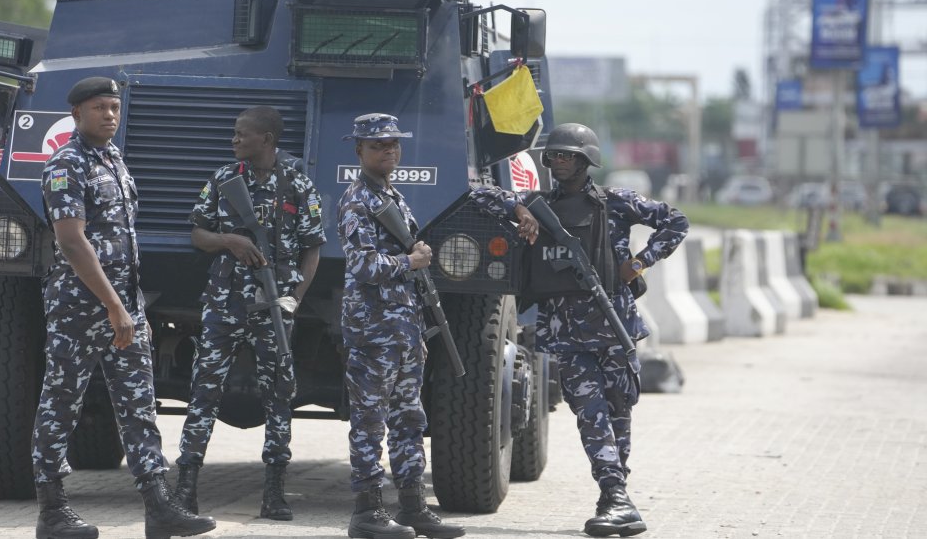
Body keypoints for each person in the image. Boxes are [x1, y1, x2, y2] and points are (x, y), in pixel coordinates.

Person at [470, 122, 689, 538]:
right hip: (567, 335)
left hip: (614, 327)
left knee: (618, 413)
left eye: (569, 155)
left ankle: (617, 497)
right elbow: (479, 195)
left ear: (588, 160)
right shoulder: (538, 205)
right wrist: (519, 210)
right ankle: (613, 494)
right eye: (554, 155)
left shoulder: (615, 203)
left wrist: (639, 263)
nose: (560, 162)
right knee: (591, 415)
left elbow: (675, 221)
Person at [33, 76, 216, 539]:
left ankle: (159, 507)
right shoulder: (66, 164)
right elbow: (72, 242)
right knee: (61, 405)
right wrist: (115, 306)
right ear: (76, 113)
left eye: (114, 107)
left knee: (138, 407)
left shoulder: (113, 159)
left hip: (123, 307)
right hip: (82, 307)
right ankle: (52, 513)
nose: (110, 115)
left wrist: (127, 306)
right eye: (99, 108)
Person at [173, 106, 326, 520]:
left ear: (267, 140)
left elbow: (313, 247)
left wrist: (295, 296)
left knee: (279, 395)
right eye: (235, 133)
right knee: (203, 393)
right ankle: (185, 489)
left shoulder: (297, 184)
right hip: (224, 302)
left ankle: (274, 493)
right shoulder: (225, 179)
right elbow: (197, 233)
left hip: (274, 306)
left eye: (243, 134)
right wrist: (229, 242)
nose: (235, 140)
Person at [337, 113, 465, 539]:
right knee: (370, 422)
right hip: (373, 330)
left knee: (409, 417)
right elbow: (362, 265)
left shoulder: (392, 196)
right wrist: (409, 261)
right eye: (377, 146)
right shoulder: (358, 201)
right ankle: (366, 513)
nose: (388, 150)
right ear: (359, 151)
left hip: (403, 329)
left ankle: (412, 505)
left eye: (393, 144)